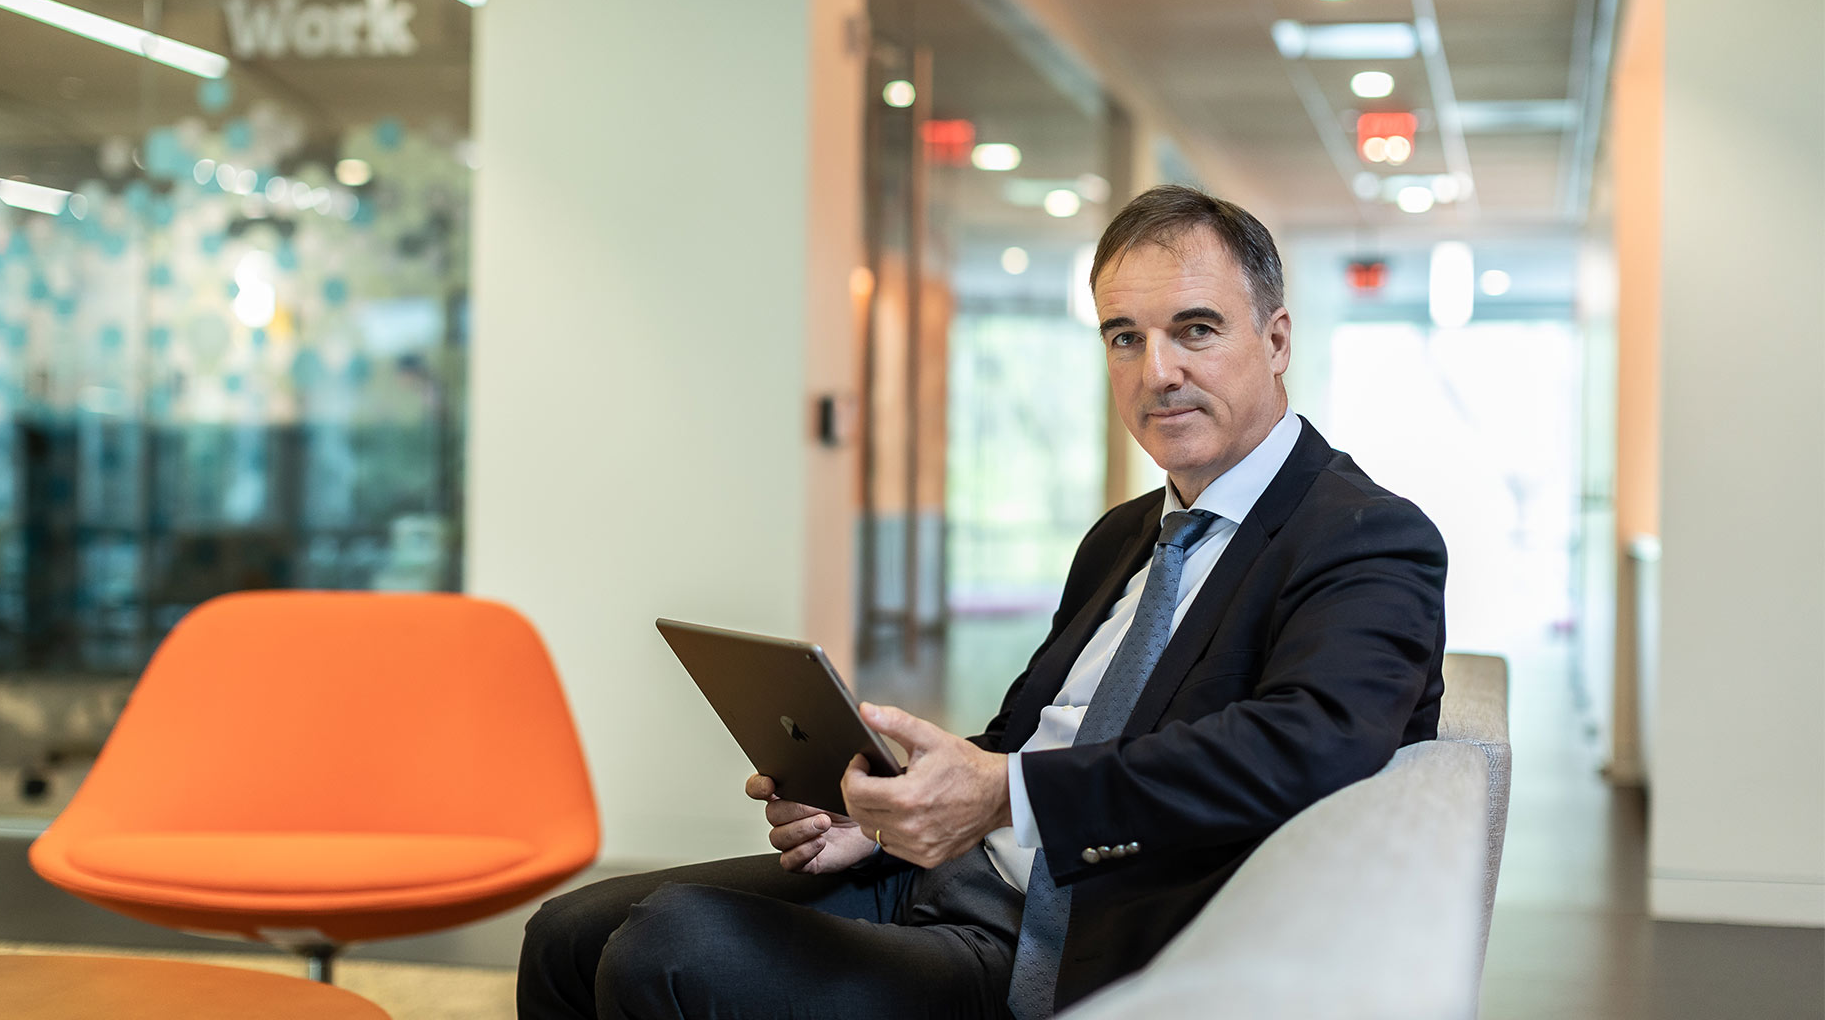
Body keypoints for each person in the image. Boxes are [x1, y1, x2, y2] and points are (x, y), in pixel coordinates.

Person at [517, 185, 1447, 1020]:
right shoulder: (1125, 536)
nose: (1156, 369)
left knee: (671, 946)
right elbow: (1018, 740)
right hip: (941, 879)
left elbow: (1310, 742)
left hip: (1054, 942)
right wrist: (888, 815)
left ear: (1276, 339)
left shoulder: (1363, 534)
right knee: (570, 929)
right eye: (1124, 337)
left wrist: (1004, 795)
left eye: (1195, 329)